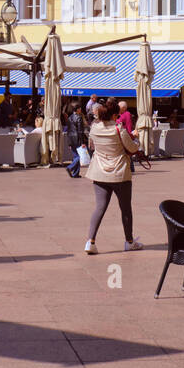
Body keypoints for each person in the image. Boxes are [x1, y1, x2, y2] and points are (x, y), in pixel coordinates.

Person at [82, 101, 142, 255]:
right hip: (119, 173)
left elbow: (92, 146)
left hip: (99, 172)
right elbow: (132, 148)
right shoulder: (118, 129)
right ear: (114, 115)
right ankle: (129, 241)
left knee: (100, 207)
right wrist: (136, 139)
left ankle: (90, 241)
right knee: (125, 208)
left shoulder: (94, 128)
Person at [65, 102, 86, 177]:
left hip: (71, 138)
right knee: (79, 156)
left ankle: (75, 174)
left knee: (75, 156)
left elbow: (68, 130)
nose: (80, 110)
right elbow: (80, 130)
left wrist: (69, 142)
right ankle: (70, 167)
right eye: (80, 109)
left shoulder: (69, 117)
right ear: (77, 110)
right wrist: (83, 142)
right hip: (77, 138)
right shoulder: (79, 117)